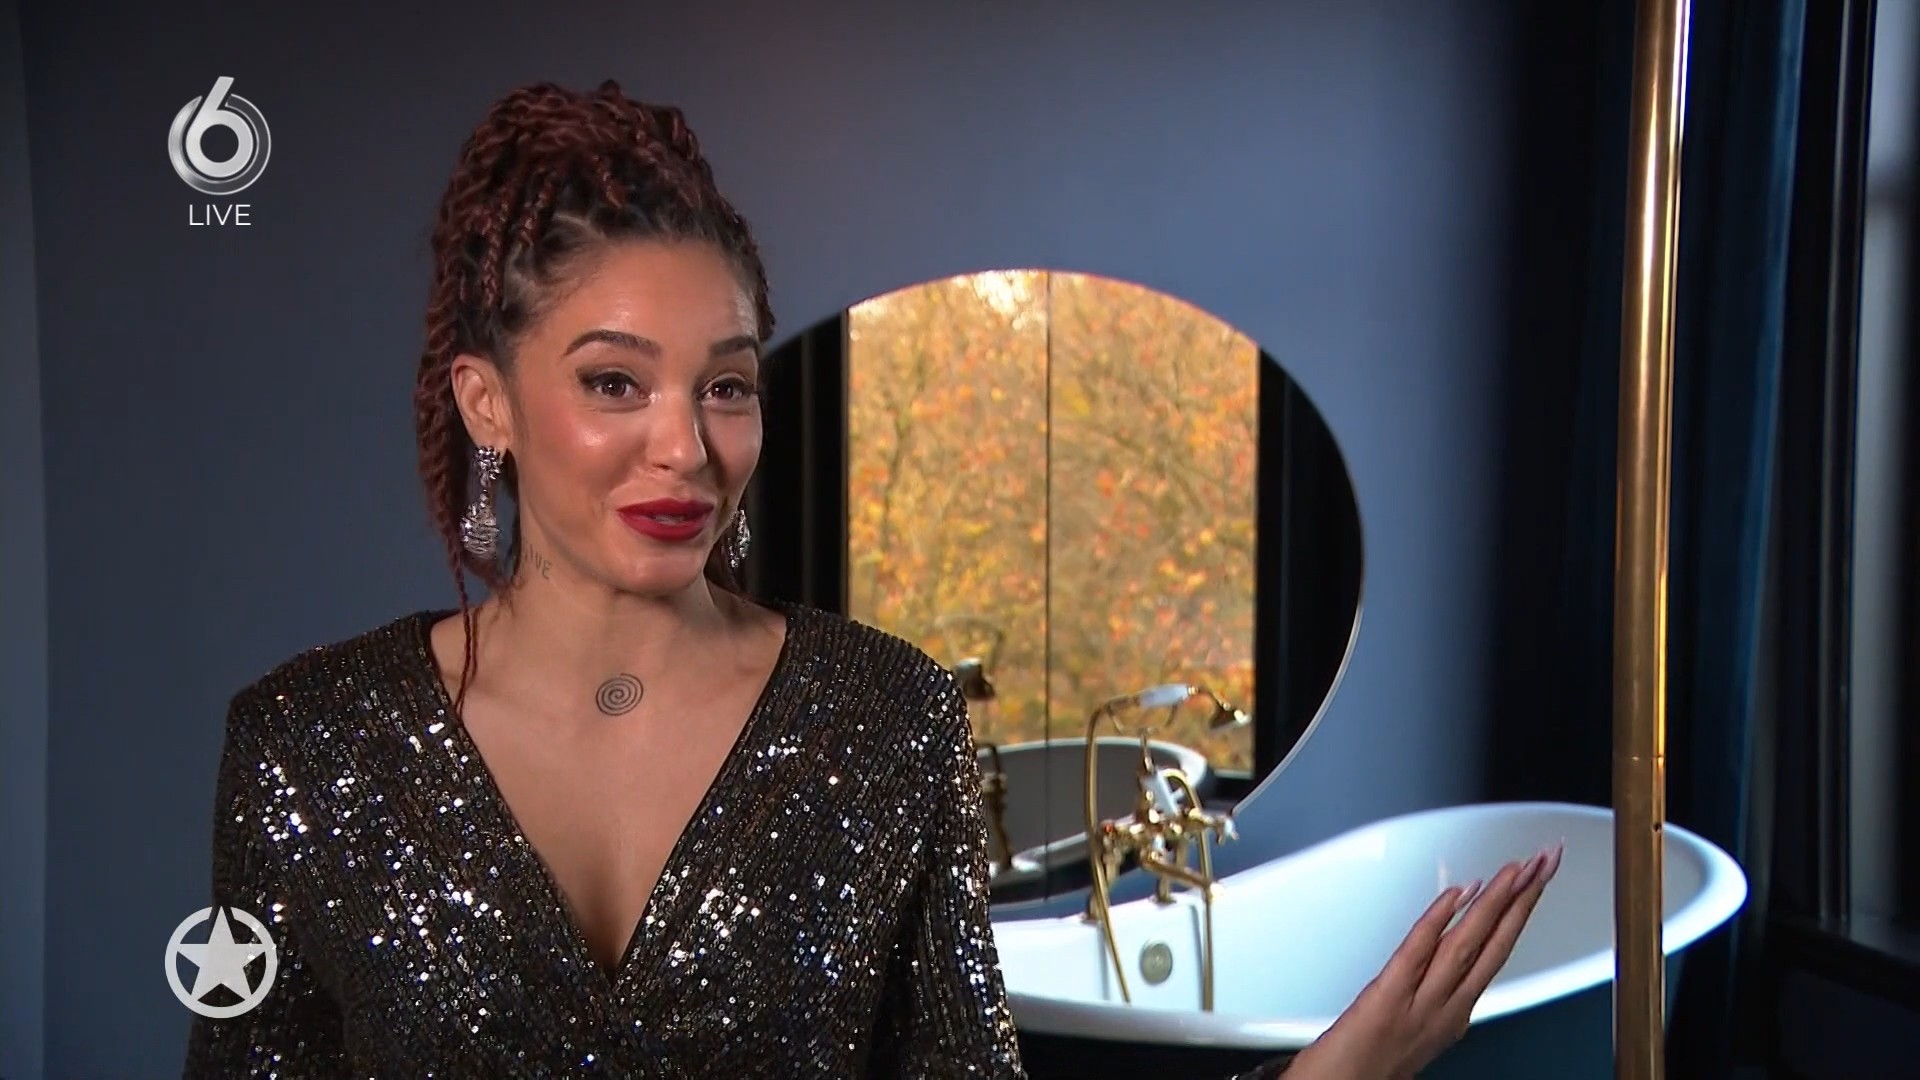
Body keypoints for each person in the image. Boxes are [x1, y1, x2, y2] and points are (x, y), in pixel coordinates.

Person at [181, 79, 1562, 1079]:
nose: (685, 446)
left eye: (726, 385)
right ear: (487, 400)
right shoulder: (311, 746)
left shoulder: (884, 718)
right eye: (614, 383)